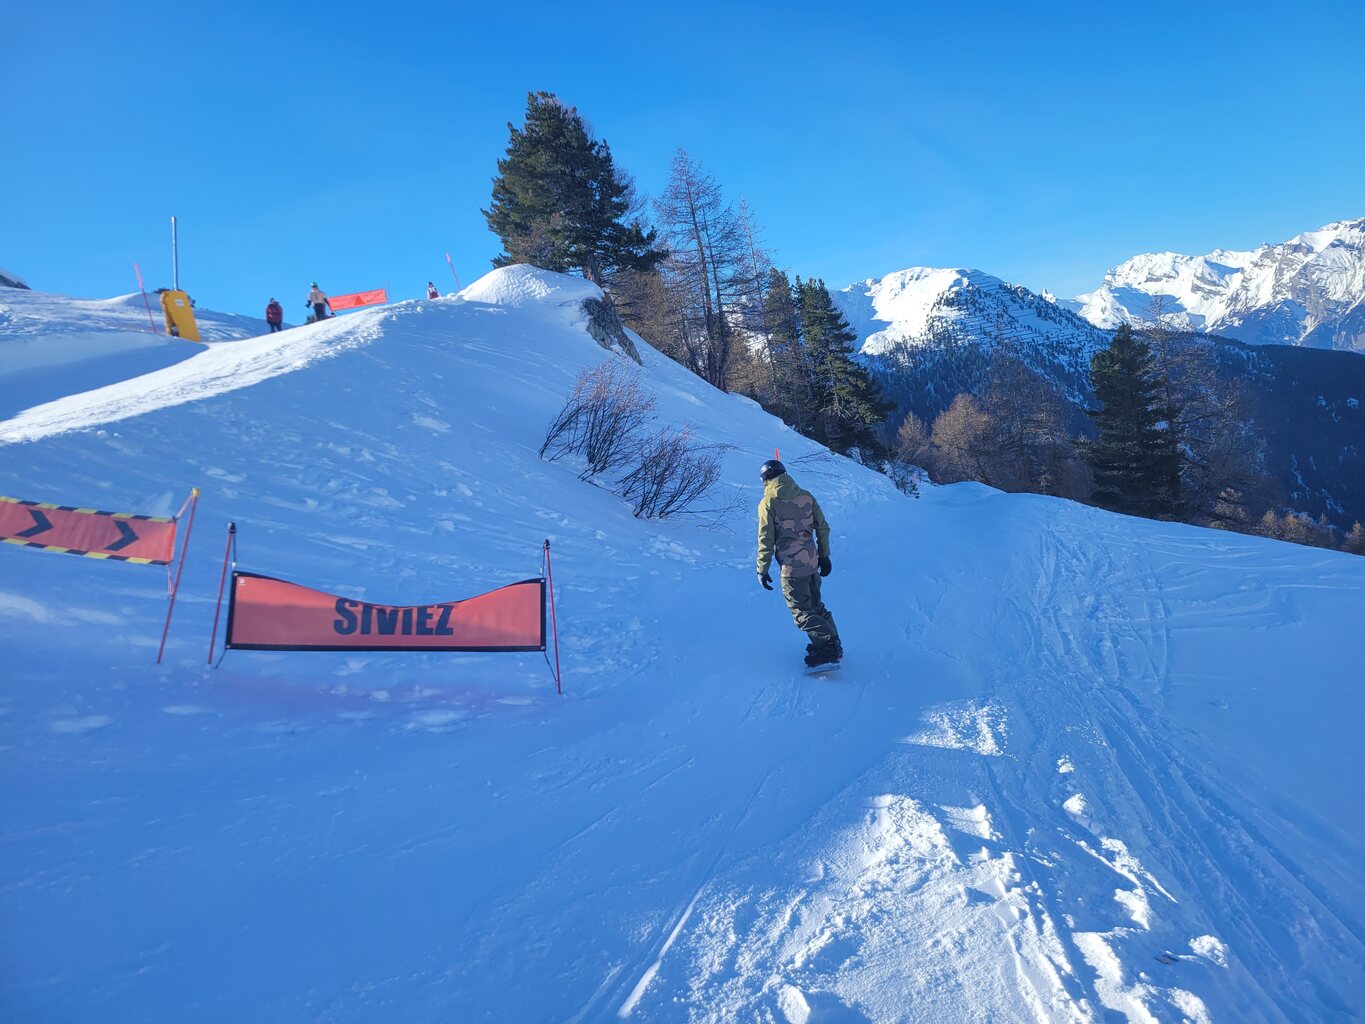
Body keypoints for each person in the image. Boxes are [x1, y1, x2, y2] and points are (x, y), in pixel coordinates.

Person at [756, 459, 842, 668]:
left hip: (791, 567)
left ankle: (827, 649)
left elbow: (765, 537)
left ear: (766, 479)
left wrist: (762, 568)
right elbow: (822, 527)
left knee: (801, 612)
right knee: (815, 606)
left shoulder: (768, 501)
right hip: (811, 563)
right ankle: (832, 644)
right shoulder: (806, 496)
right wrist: (824, 555)